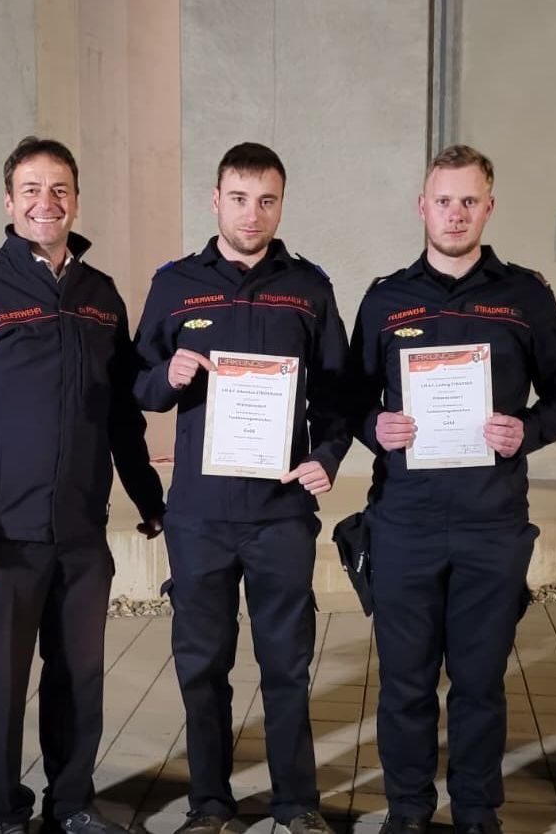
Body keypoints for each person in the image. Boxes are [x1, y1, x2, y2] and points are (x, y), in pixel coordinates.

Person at [0, 136, 165, 834]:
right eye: (31, 189)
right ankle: (3, 814)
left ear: (76, 201)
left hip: (81, 534)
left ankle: (72, 804)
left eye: (59, 189)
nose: (45, 202)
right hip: (1, 534)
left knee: (79, 680)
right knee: (1, 685)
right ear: (9, 201)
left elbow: (119, 414)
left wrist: (149, 498)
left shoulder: (101, 296)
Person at [349, 144, 556, 834]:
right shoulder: (386, 299)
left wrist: (527, 430)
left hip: (492, 524)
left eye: (469, 201)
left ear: (489, 207)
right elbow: (347, 396)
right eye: (443, 201)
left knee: (480, 685)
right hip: (404, 523)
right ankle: (408, 812)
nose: (455, 213)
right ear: (422, 207)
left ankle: (478, 814)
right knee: (405, 685)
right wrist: (374, 425)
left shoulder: (525, 296)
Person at [133, 143, 350, 834]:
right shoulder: (175, 284)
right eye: (238, 198)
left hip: (281, 512)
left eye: (266, 200)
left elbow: (339, 394)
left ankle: (297, 803)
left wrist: (328, 455)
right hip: (199, 514)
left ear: (281, 204)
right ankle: (209, 803)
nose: (251, 214)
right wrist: (166, 377)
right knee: (203, 666)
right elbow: (136, 383)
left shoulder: (309, 287)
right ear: (215, 200)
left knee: (286, 665)